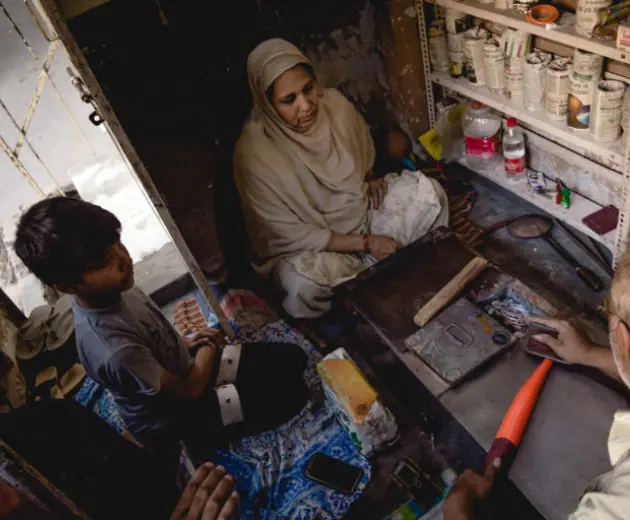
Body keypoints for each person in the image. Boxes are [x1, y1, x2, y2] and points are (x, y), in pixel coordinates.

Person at [13, 196, 309, 465]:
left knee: (293, 359)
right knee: (293, 394)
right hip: (179, 413)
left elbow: (153, 333)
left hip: (186, 368)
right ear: (65, 286)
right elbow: (189, 391)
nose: (123, 259)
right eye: (104, 261)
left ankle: (224, 392)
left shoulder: (115, 288)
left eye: (116, 243)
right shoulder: (114, 348)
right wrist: (206, 350)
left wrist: (190, 343)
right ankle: (198, 435)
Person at [234, 38, 449, 318]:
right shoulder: (254, 154)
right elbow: (287, 234)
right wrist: (368, 242)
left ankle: (376, 274)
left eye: (308, 89)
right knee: (305, 289)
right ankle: (369, 289)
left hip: (363, 215)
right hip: (313, 247)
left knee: (431, 194)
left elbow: (360, 149)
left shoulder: (333, 104)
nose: (306, 105)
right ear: (268, 105)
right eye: (289, 100)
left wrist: (370, 176)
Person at [443, 251, 630, 520]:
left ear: (623, 338)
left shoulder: (614, 506)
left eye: (607, 312)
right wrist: (590, 354)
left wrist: (456, 509)